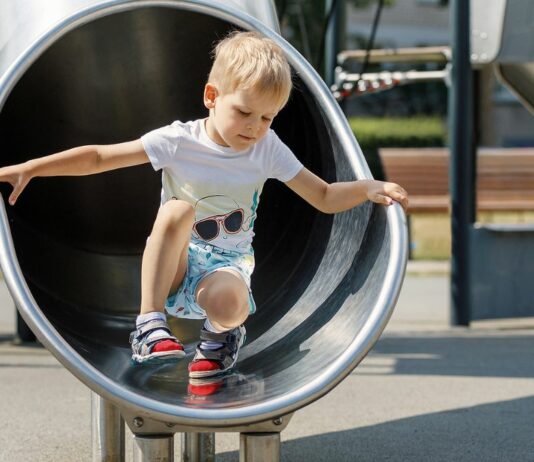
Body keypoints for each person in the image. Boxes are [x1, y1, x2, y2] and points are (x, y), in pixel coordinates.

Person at [0, 31, 408, 379]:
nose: (255, 127)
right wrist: (31, 168)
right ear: (212, 96)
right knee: (177, 210)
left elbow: (322, 195)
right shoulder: (181, 140)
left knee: (233, 305)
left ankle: (219, 336)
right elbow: (102, 157)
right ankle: (149, 323)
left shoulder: (267, 149)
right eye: (245, 112)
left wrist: (367, 186)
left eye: (268, 118)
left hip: (224, 265)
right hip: (176, 263)